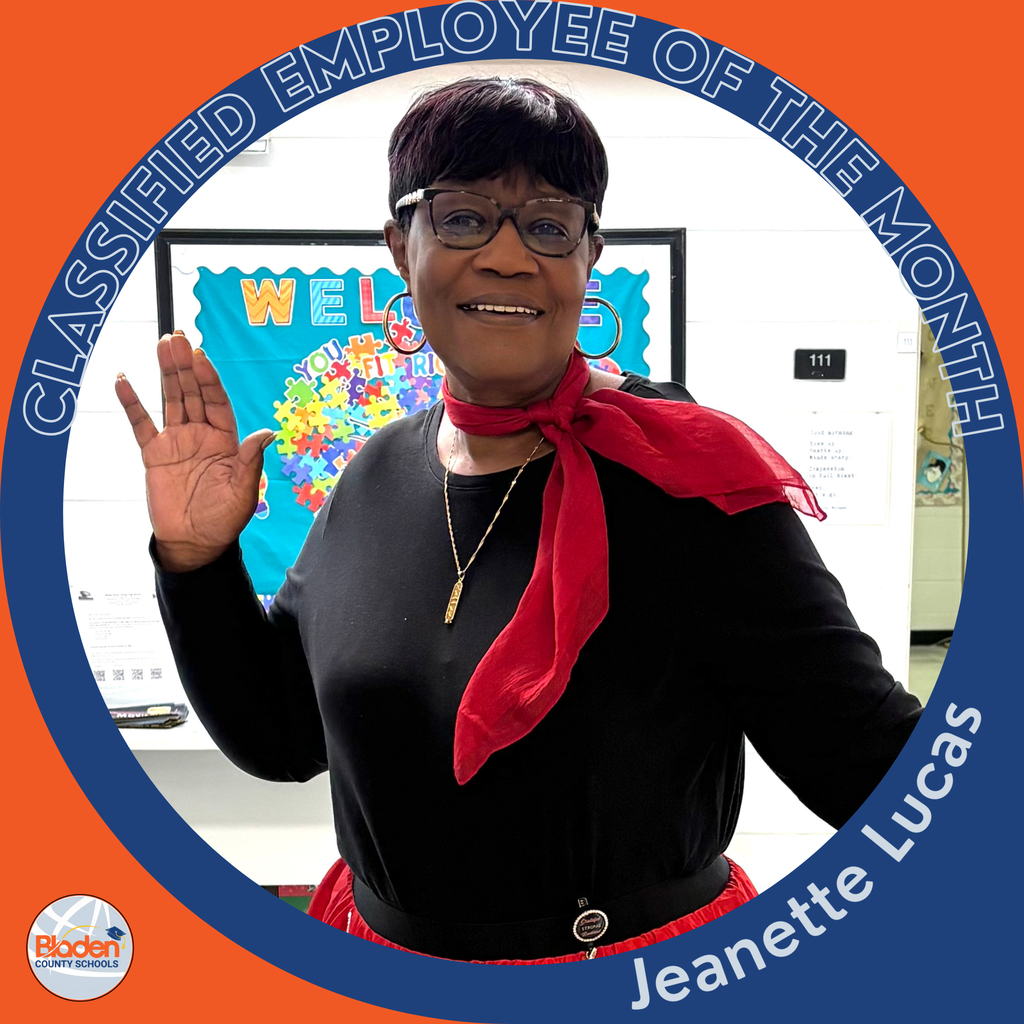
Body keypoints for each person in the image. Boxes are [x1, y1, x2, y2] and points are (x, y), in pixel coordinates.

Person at [115, 77, 921, 964]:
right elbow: (281, 739)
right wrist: (196, 560)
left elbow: (875, 765)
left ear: (589, 256)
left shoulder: (690, 478)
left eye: (548, 224)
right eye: (462, 217)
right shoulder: (374, 474)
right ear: (400, 247)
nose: (507, 257)